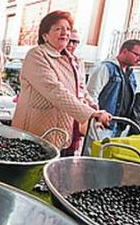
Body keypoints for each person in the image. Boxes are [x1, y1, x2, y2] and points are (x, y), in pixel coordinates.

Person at [12, 11, 112, 151]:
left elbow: (80, 90)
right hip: (38, 128)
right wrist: (89, 113)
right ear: (45, 35)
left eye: (68, 29)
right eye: (58, 29)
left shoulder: (73, 60)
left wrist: (94, 108)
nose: (65, 33)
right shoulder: (37, 55)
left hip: (67, 127)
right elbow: (53, 89)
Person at [87, 39, 140, 133]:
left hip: (119, 126)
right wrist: (97, 118)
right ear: (125, 51)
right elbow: (91, 94)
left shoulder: (131, 74)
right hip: (102, 125)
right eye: (137, 55)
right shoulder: (106, 68)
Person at [62, 29, 99, 155]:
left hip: (76, 116)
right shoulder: (56, 59)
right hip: (62, 112)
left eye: (76, 42)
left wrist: (92, 104)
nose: (72, 45)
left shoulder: (79, 62)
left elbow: (82, 88)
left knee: (71, 151)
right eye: (70, 41)